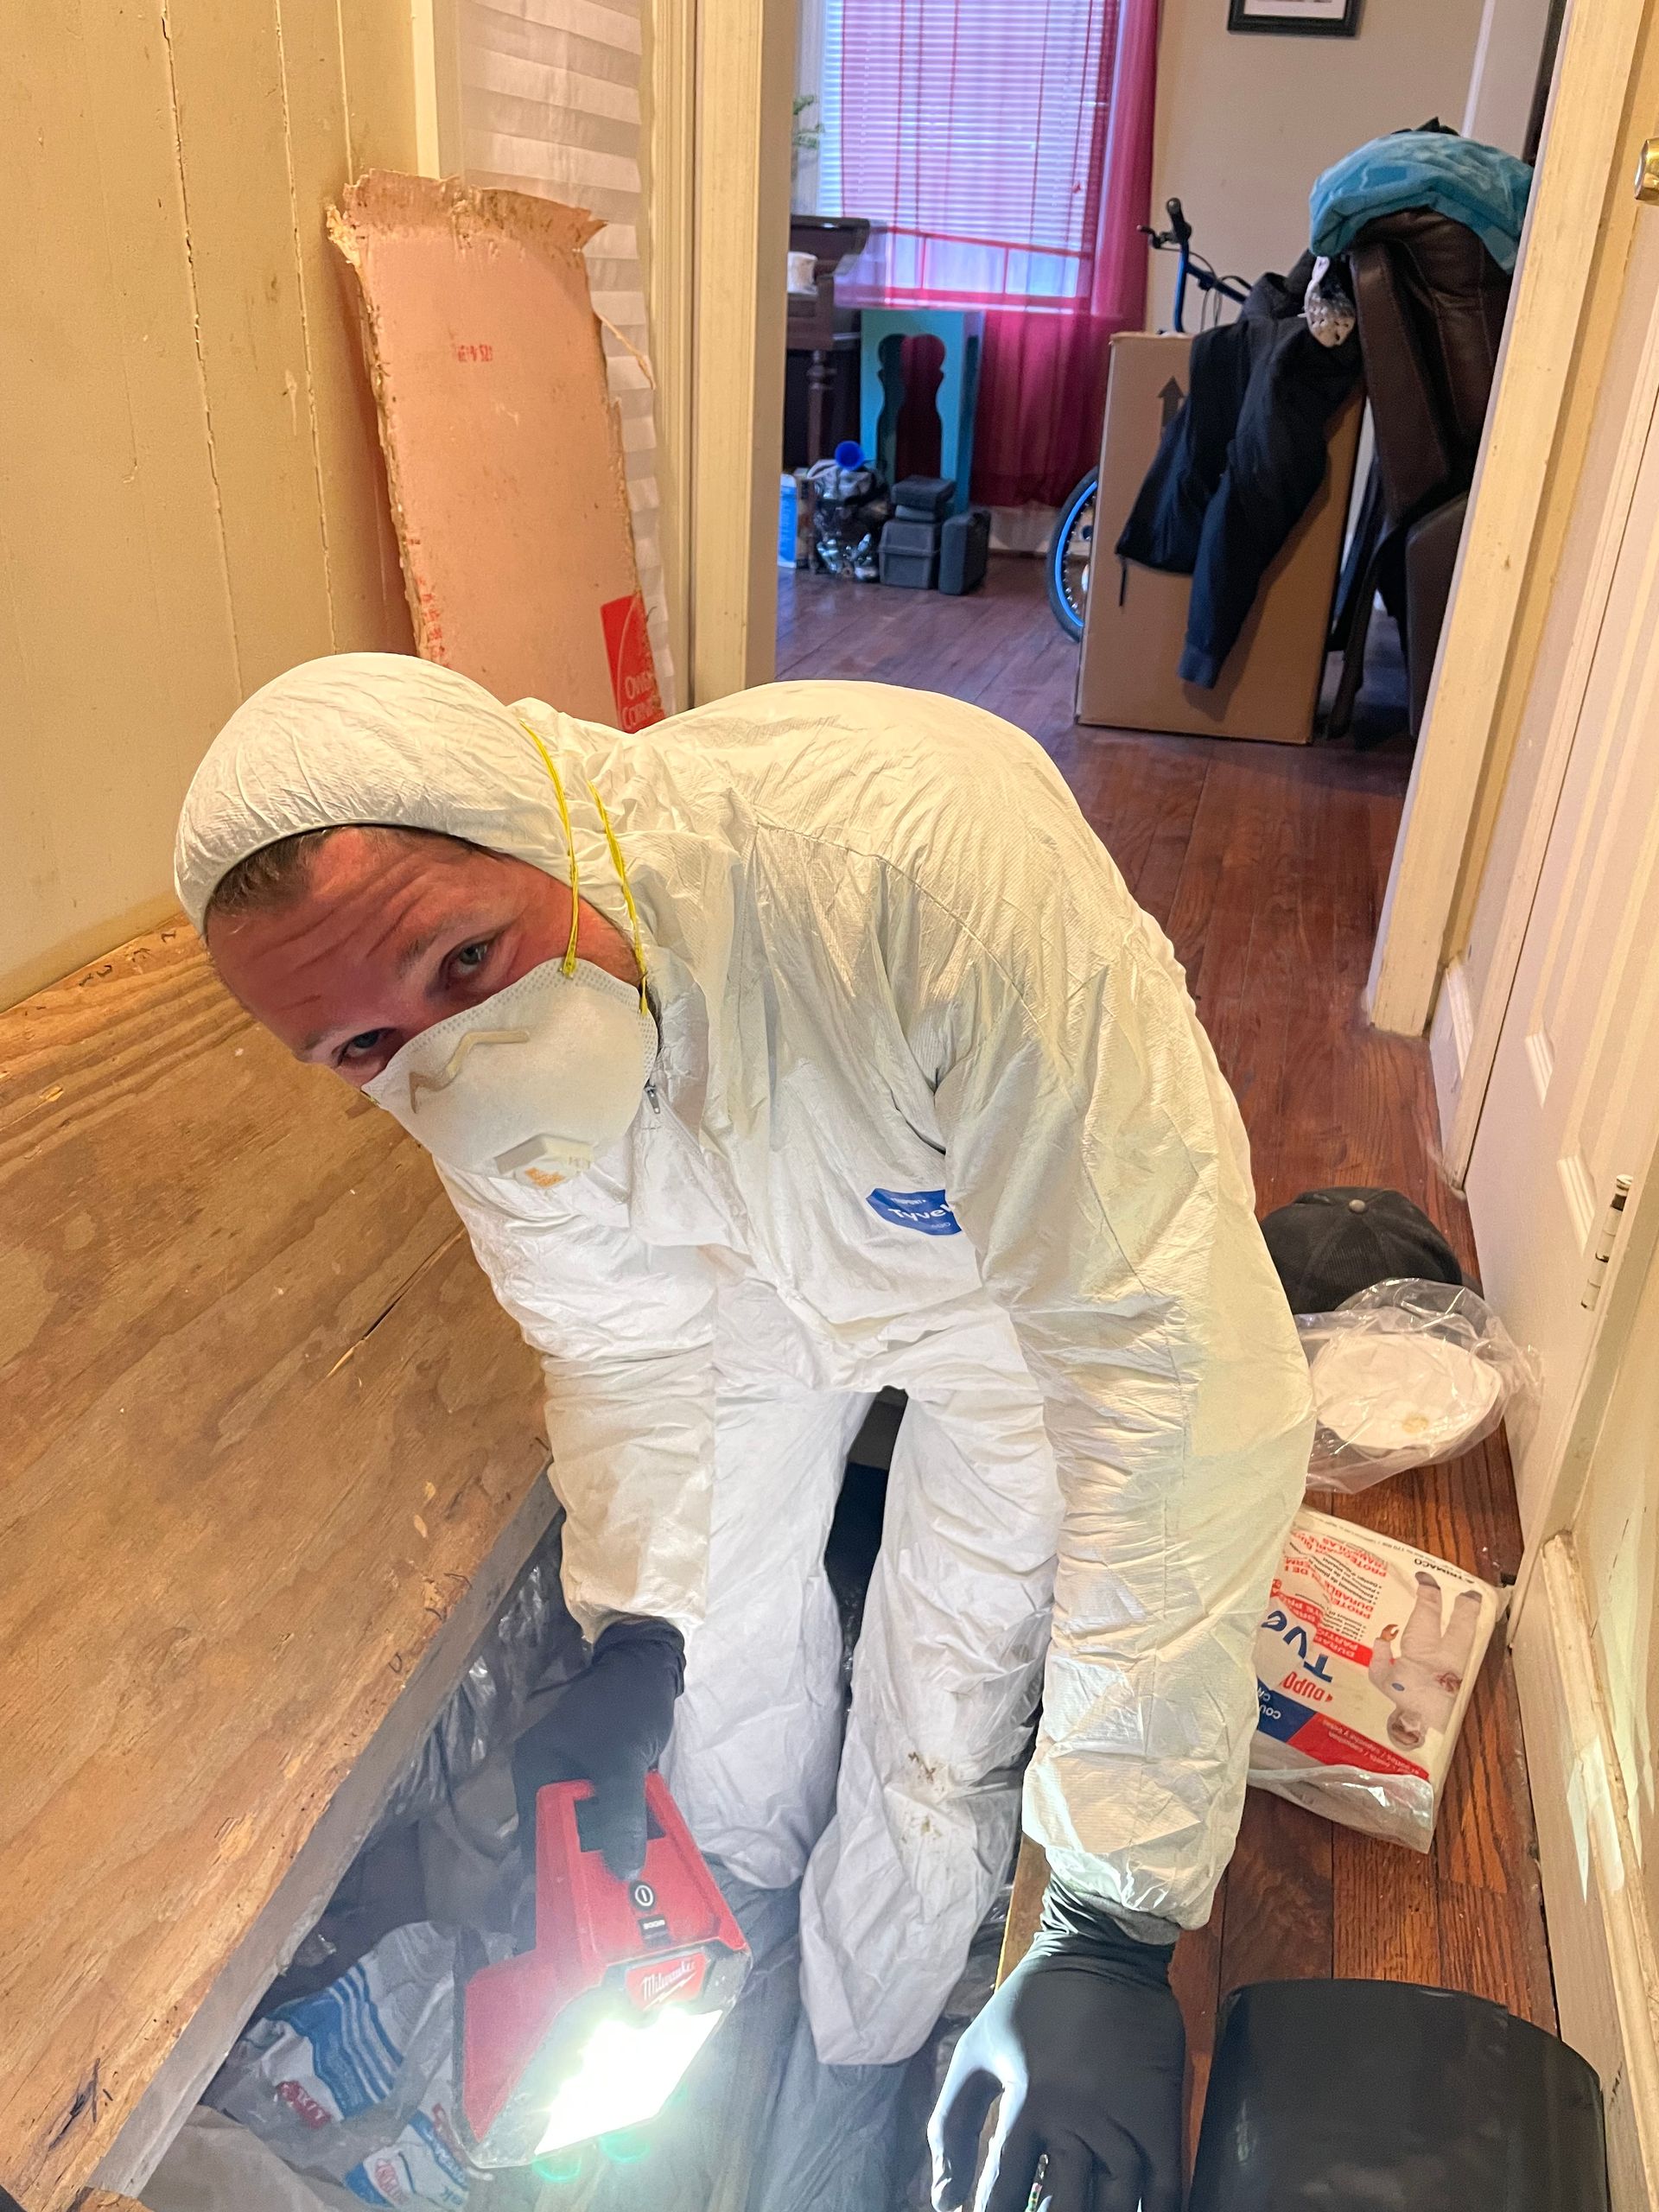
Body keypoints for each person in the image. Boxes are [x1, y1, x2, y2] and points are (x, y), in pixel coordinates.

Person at [175, 653, 1313, 2212]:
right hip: (735, 1273)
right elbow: (621, 1346)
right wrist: (639, 1632)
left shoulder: (919, 887)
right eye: (360, 1051)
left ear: (554, 821)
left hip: (1004, 1283)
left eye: (466, 959)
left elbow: (1164, 1381)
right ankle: (746, 1957)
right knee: (716, 1678)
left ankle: (872, 2037)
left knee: (951, 1679)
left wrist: (1116, 1917)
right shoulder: (454, 1068)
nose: (453, 1060)